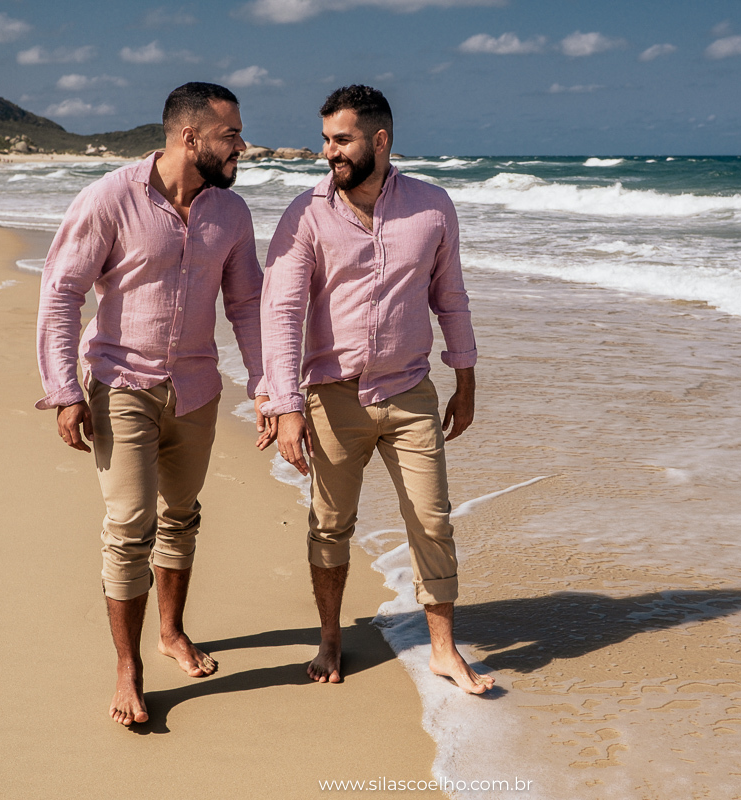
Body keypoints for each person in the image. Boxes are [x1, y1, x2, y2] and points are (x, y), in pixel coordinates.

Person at [36, 82, 272, 726]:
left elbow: (246, 305)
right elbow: (62, 293)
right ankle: (128, 666)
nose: (241, 146)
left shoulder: (232, 212)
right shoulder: (110, 199)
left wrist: (266, 383)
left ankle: (172, 632)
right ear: (190, 137)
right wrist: (63, 389)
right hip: (121, 384)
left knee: (181, 516)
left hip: (196, 391)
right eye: (231, 135)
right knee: (129, 525)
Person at [260, 85, 494, 694]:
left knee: (433, 521)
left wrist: (465, 379)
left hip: (412, 391)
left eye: (341, 140)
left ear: (380, 141)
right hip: (332, 397)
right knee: (330, 525)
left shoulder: (432, 207)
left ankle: (443, 649)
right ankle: (331, 637)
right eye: (325, 140)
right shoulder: (305, 213)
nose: (328, 153)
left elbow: (451, 298)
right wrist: (286, 406)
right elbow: (281, 314)